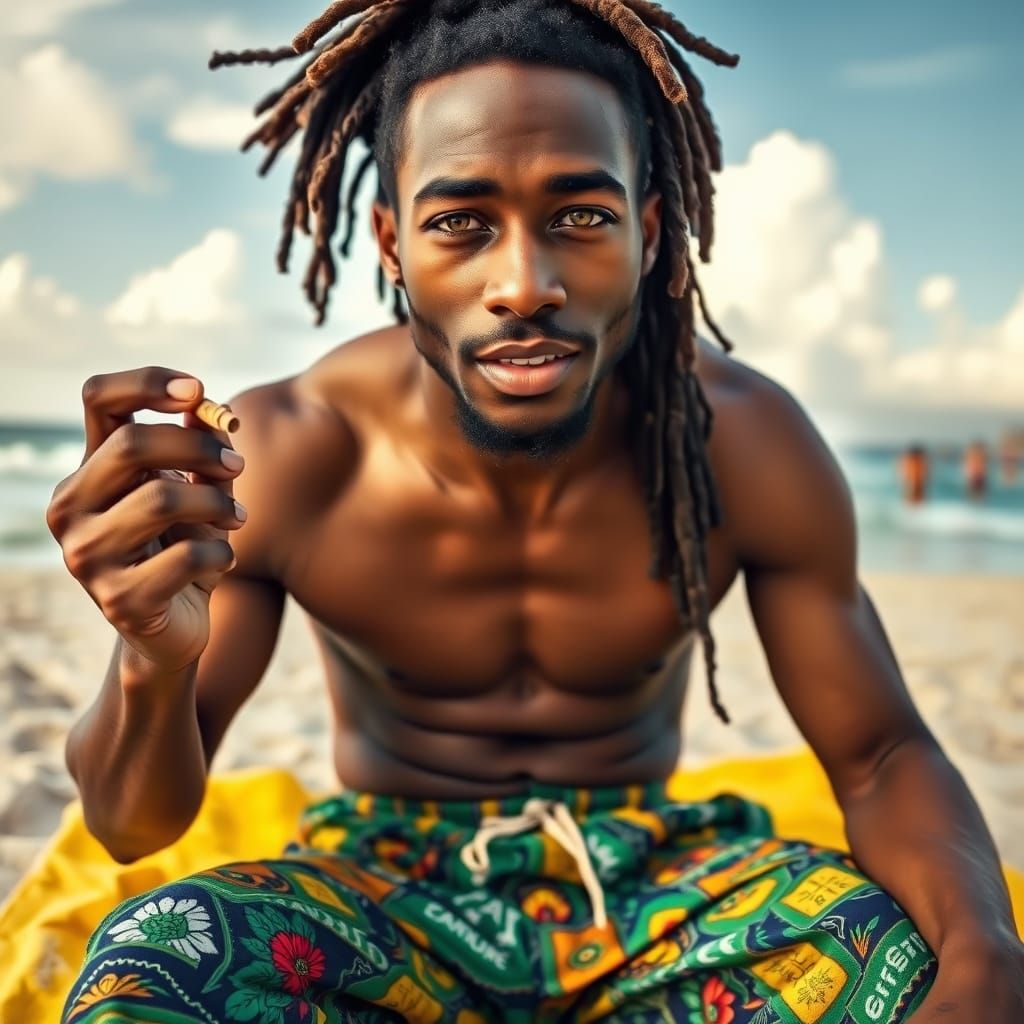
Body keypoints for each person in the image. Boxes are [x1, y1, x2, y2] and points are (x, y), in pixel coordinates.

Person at [47, 0, 1024, 1020]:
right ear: (390, 240)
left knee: (901, 960)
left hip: (662, 886)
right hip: (386, 895)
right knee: (155, 960)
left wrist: (984, 952)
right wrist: (151, 658)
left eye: (580, 216)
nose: (523, 282)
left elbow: (879, 756)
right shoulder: (291, 452)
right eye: (459, 222)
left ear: (648, 233)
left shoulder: (744, 440)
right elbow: (127, 827)